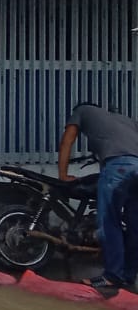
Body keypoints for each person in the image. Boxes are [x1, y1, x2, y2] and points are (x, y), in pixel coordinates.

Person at [59, 102, 138, 296]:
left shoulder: (81, 111)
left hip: (118, 168)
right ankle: (128, 276)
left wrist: (63, 174)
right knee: (135, 225)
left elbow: (67, 140)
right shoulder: (124, 120)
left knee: (109, 223)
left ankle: (111, 276)